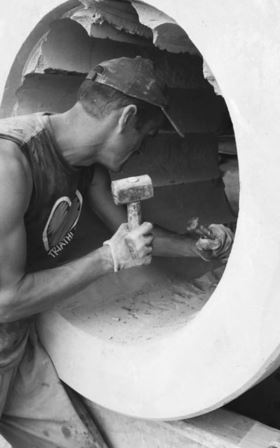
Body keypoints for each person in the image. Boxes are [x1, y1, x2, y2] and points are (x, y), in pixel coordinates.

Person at [0, 56, 233, 447]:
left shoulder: (86, 165)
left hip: (15, 341)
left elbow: (128, 236)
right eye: (145, 135)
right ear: (125, 118)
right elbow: (5, 300)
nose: (140, 150)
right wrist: (106, 259)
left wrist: (199, 248)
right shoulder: (11, 165)